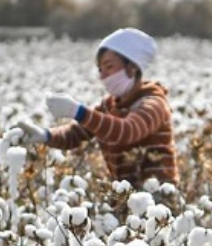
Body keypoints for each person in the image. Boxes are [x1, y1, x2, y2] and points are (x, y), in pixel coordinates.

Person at [16, 27, 179, 189]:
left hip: (160, 201)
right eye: (100, 69)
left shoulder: (155, 103)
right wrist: (46, 135)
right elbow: (75, 134)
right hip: (126, 198)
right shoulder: (109, 105)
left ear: (133, 67)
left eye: (109, 66)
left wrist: (79, 112)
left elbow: (127, 131)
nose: (103, 76)